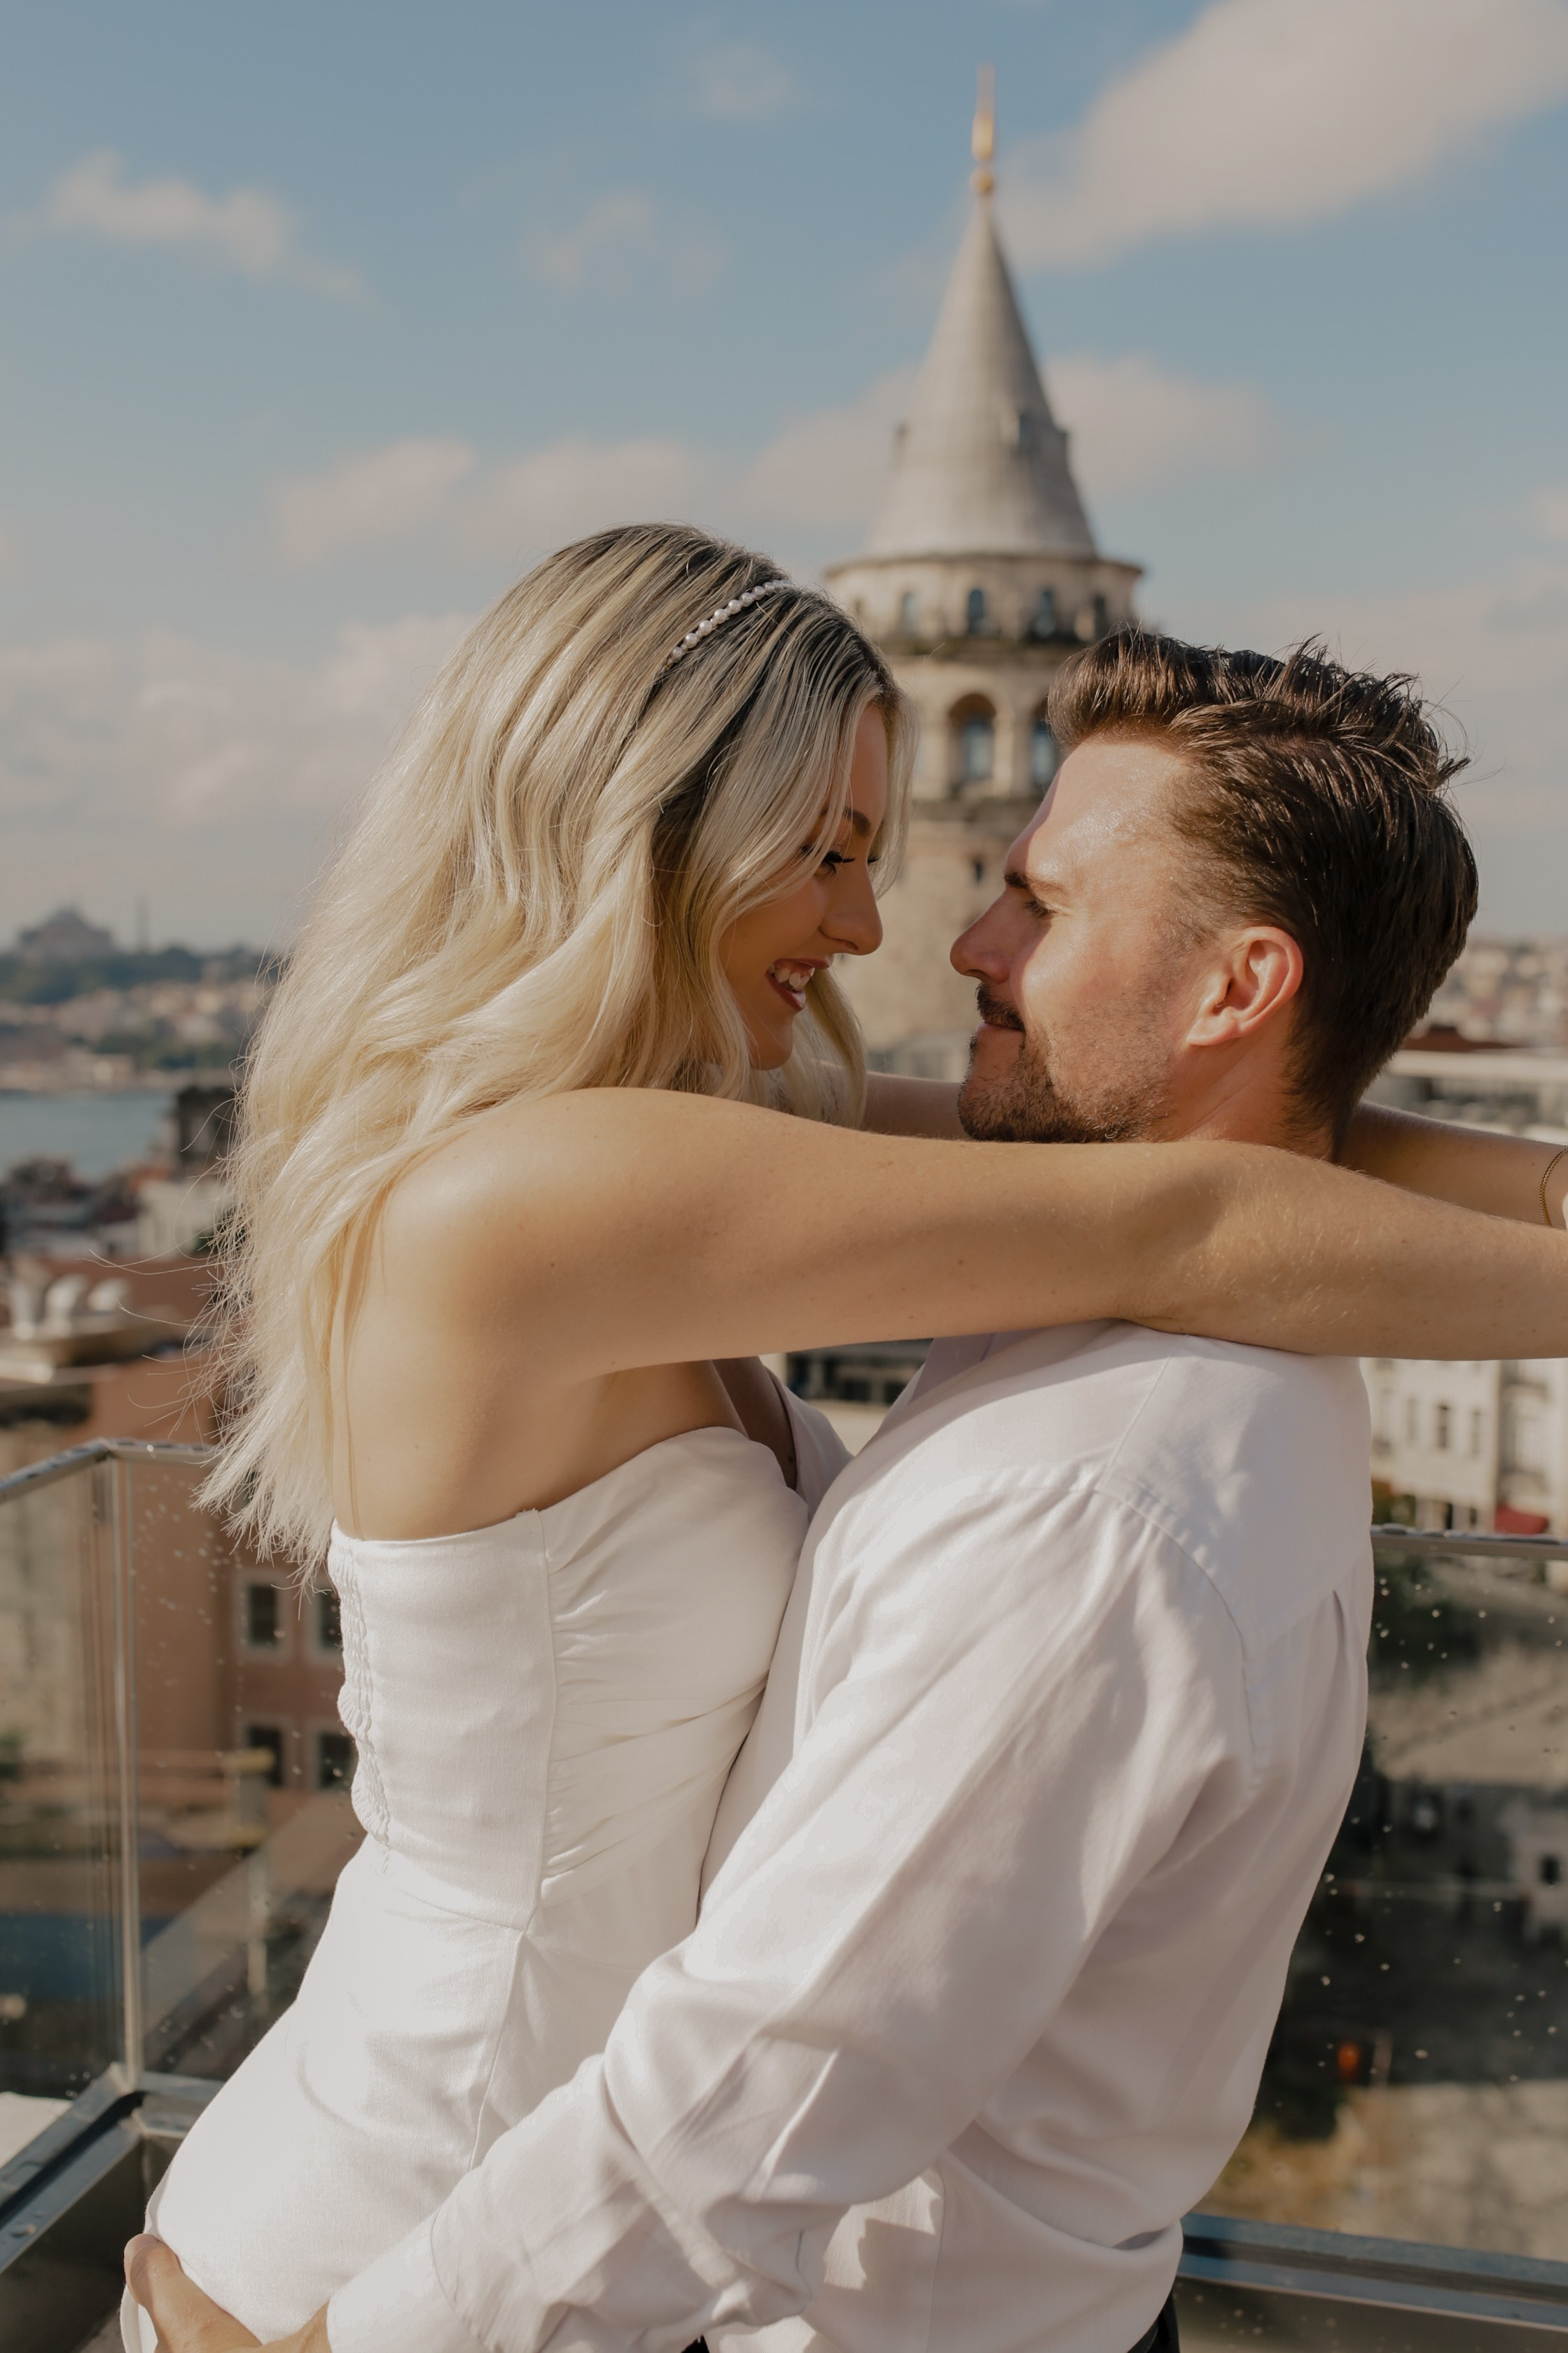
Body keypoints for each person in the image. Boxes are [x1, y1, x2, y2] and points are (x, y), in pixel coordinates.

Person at [126, 580, 1568, 2352]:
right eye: (824, 854)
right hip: (386, 2232)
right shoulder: (540, 1196)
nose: (887, 924)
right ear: (648, 842)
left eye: (890, 858)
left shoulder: (663, 1149)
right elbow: (1189, 1210)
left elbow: (1217, 1160)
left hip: (469, 2221)